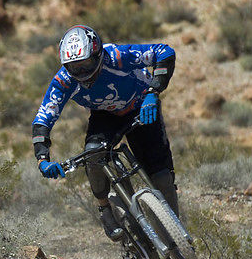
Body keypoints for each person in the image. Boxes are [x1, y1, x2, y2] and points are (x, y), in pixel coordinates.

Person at [32, 24, 178, 241]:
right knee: (93, 153)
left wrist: (153, 91)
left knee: (162, 178)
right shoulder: (63, 81)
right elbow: (43, 118)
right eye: (74, 67)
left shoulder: (117, 56)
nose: (82, 73)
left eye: (86, 64)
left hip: (141, 105)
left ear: (98, 54)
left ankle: (176, 232)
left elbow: (164, 52)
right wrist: (42, 159)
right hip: (105, 116)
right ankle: (105, 209)